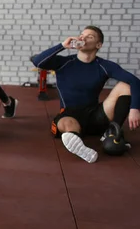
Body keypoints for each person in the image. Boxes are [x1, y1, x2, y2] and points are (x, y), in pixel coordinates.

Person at [32, 26, 139, 163]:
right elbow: (37, 61)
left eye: (89, 36)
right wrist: (63, 45)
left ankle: (111, 132)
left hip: (96, 115)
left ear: (98, 45)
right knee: (66, 123)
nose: (82, 37)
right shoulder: (64, 62)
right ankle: (79, 145)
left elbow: (134, 81)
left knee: (124, 86)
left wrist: (135, 108)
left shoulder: (103, 65)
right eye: (81, 35)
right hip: (70, 114)